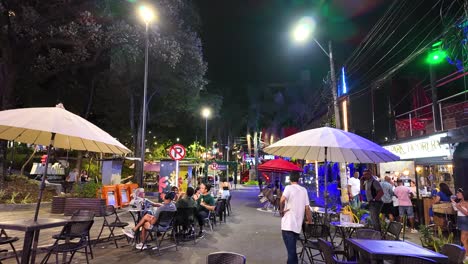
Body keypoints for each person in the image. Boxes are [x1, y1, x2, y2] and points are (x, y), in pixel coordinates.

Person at [280, 171, 312, 264]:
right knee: (292, 252)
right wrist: (310, 221)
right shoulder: (304, 190)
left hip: (287, 225)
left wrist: (281, 211)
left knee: (292, 253)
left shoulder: (288, 188)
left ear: (290, 179)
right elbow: (307, 209)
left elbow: (281, 200)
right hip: (297, 227)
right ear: (299, 179)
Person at [451, 188, 468, 258]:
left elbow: (467, 213)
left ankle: (467, 255)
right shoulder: (460, 202)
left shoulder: (467, 203)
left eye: (459, 193)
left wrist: (459, 207)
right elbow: (457, 210)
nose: (457, 194)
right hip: (460, 221)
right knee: (465, 239)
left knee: (463, 239)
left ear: (463, 194)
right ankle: (466, 254)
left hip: (465, 222)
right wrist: (454, 204)